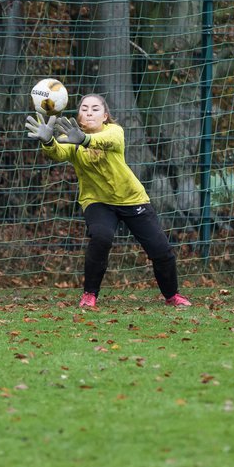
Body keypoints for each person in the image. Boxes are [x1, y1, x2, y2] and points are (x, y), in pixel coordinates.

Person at [24, 93, 190, 310]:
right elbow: (58, 152)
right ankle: (89, 294)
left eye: (95, 108)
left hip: (132, 198)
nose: (89, 112)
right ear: (78, 116)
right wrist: (48, 141)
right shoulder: (72, 139)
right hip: (97, 201)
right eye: (84, 109)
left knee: (161, 251)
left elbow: (110, 141)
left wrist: (84, 140)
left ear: (105, 116)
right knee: (101, 238)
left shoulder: (114, 131)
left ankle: (172, 296)